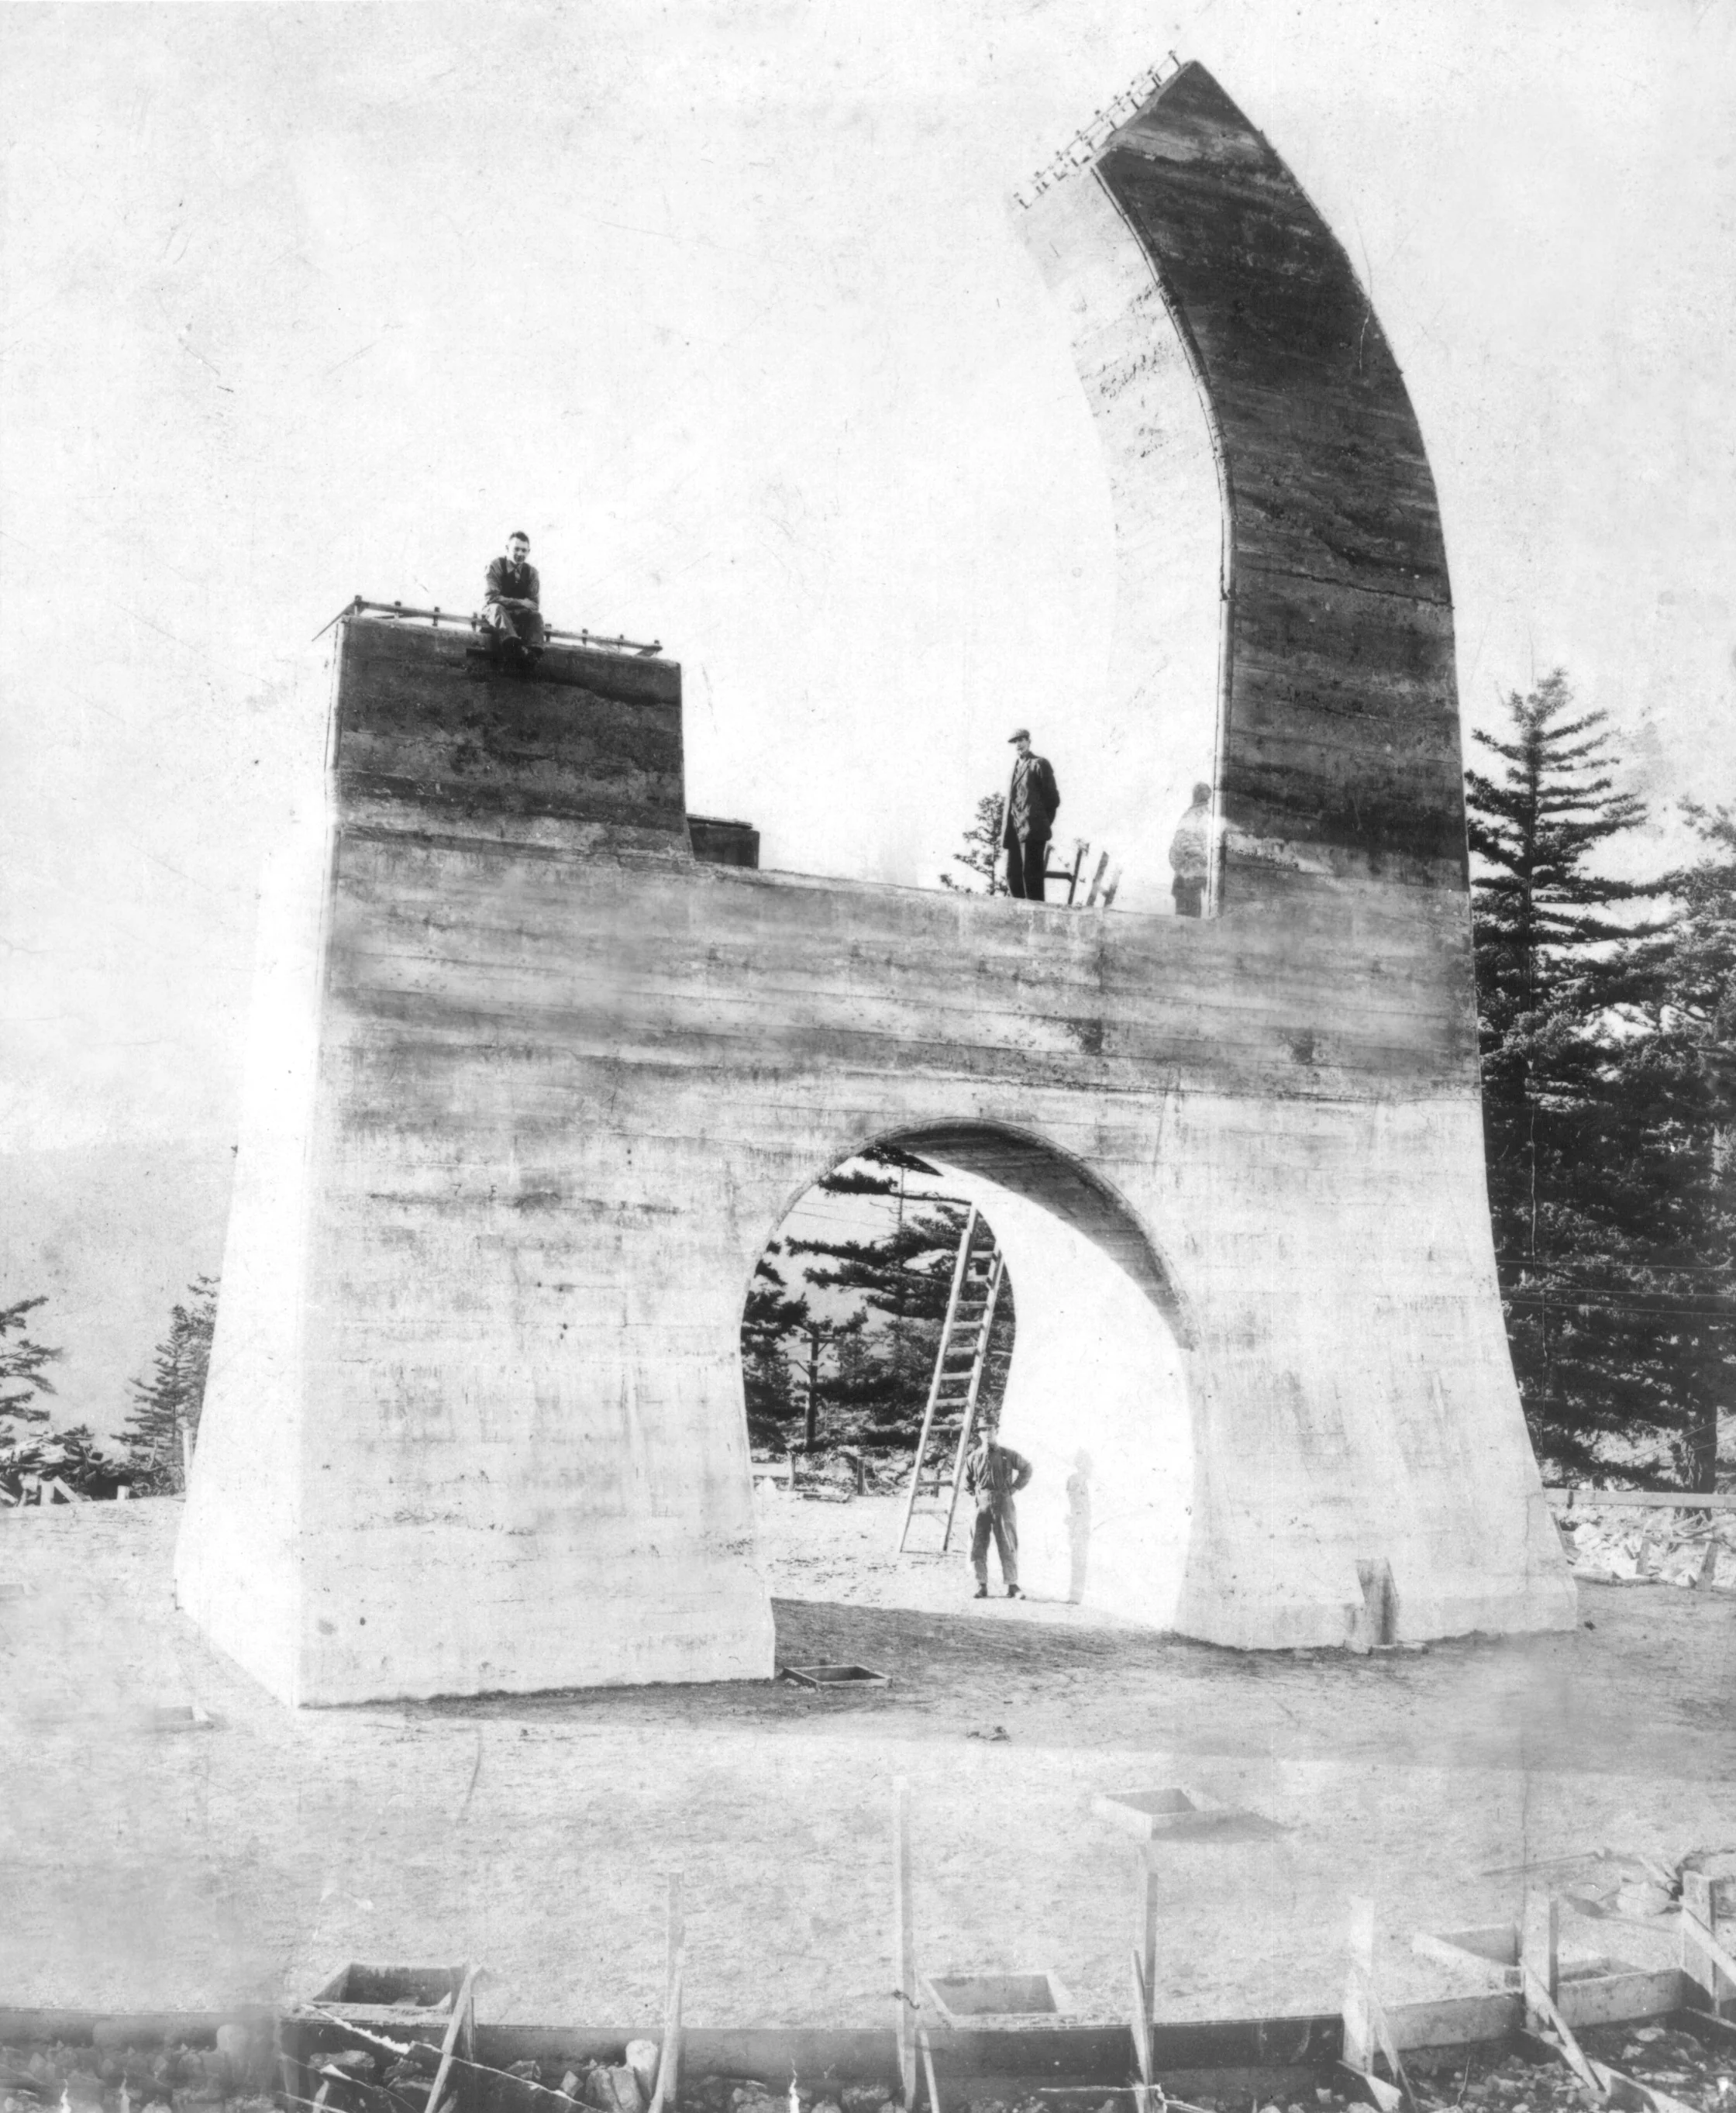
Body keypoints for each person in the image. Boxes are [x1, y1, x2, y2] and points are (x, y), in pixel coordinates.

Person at [965, 1429, 1033, 1599]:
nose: (987, 1434)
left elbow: (1027, 1468)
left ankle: (1012, 1585)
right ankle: (981, 1584)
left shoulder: (1008, 1454)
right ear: (979, 1434)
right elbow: (967, 1480)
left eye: (990, 1430)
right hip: (982, 1504)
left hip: (1003, 1502)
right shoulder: (973, 1457)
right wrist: (977, 1494)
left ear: (996, 1431)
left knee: (1007, 1542)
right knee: (977, 1543)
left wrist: (1015, 1487)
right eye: (983, 1430)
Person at [1001, 729, 1061, 900]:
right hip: (1014, 830)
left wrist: (1040, 824)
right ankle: (1019, 917)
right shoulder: (1014, 767)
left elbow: (1053, 800)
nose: (1019, 745)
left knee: (1032, 877)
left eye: (1021, 740)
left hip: (1033, 830)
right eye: (1016, 742)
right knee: (1012, 876)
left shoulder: (1040, 764)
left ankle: (1037, 917)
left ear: (1029, 741)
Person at [482, 531, 545, 665]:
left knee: (536, 616)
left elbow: (534, 604)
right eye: (516, 549)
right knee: (497, 608)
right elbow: (491, 598)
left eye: (524, 550)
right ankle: (517, 649)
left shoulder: (532, 573)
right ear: (507, 549)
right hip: (497, 615)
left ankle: (532, 654)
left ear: (529, 551)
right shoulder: (495, 566)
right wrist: (521, 602)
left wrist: (521, 606)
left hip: (518, 615)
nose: (520, 554)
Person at [1168, 781, 1214, 917]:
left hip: (1188, 875)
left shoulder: (1192, 815)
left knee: (1187, 920)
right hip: (1192, 875)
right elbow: (1182, 845)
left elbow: (1179, 845)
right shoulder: (1203, 815)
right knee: (1191, 919)